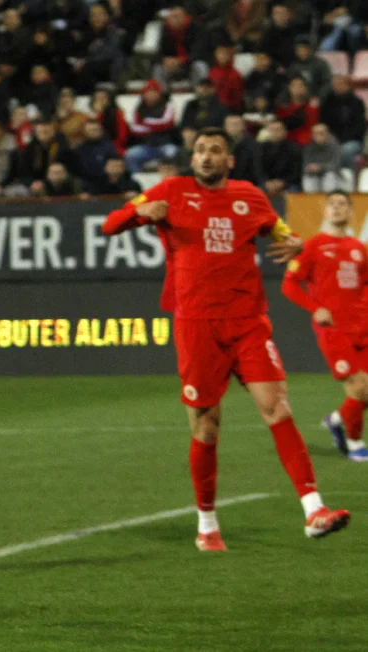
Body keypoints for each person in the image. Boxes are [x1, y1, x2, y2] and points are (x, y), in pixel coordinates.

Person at [102, 126, 351, 552]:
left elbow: (283, 233)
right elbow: (111, 225)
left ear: (229, 160)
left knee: (277, 408)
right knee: (206, 426)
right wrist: (141, 213)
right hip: (197, 325)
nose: (206, 156)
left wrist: (294, 243)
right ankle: (207, 524)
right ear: (192, 157)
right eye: (200, 150)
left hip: (248, 321)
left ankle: (314, 511)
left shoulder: (249, 196)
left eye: (215, 150)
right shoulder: (171, 190)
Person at [282, 192, 368, 462]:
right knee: (359, 388)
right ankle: (354, 442)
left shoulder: (359, 248)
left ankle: (336, 420)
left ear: (351, 211)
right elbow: (289, 284)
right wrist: (315, 308)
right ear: (326, 211)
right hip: (333, 329)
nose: (337, 208)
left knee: (364, 391)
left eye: (342, 204)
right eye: (332, 204)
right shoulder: (313, 246)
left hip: (362, 327)